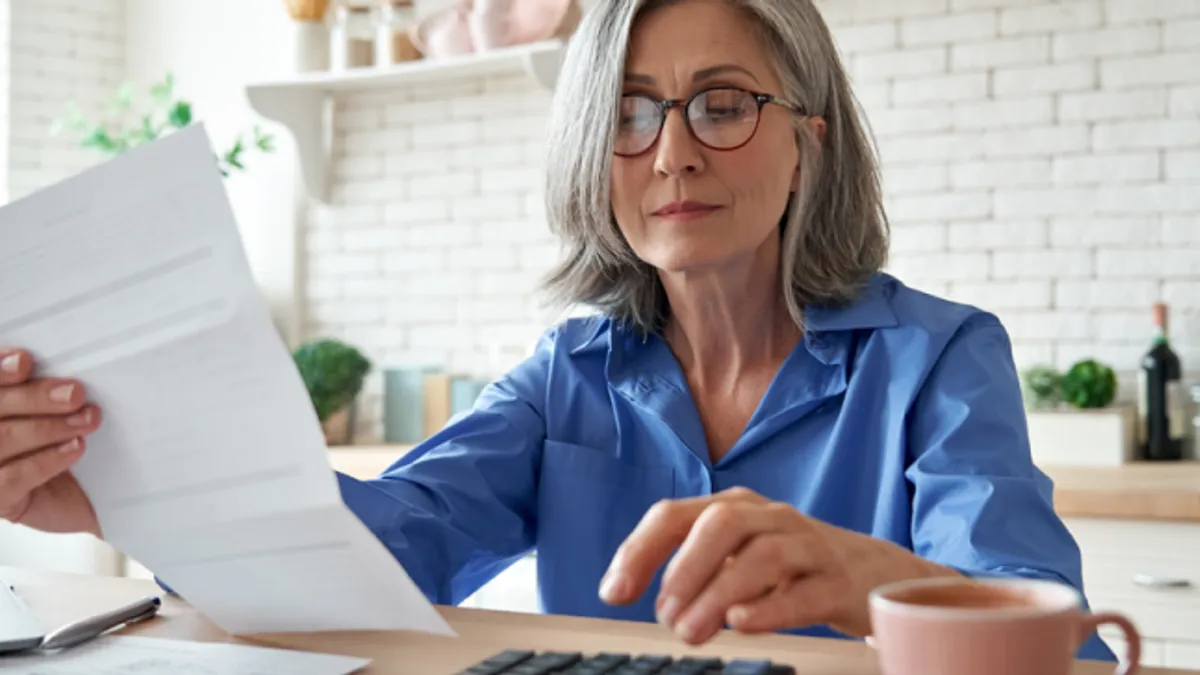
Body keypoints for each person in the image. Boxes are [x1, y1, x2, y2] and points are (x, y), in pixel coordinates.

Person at [0, 0, 1116, 662]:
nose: (671, 152)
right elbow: (377, 547)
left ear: (807, 144)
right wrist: (119, 484)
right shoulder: (565, 375)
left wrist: (866, 576)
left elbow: (1072, 651)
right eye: (627, 114)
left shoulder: (939, 359)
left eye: (721, 103)